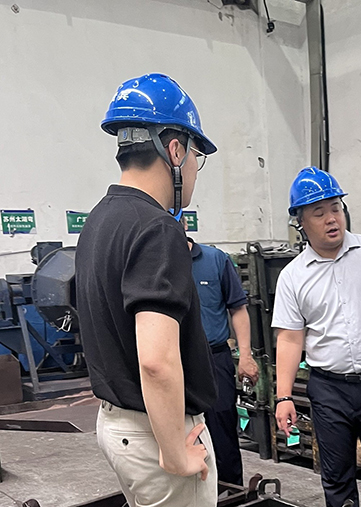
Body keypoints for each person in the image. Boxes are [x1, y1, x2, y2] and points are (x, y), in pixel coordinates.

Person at [75, 74, 218, 507]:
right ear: (175, 150)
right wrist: (175, 452)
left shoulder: (99, 221)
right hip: (157, 433)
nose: (194, 170)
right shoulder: (158, 229)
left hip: (116, 424)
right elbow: (156, 361)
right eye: (196, 156)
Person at [272, 167, 361, 507]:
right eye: (319, 213)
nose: (331, 218)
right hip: (329, 391)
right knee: (336, 479)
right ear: (301, 222)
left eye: (336, 208)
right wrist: (283, 396)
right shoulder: (292, 276)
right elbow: (290, 339)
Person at [179, 213, 259, 486]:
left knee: (222, 430)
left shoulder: (215, 260)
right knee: (178, 433)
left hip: (214, 360)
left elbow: (237, 309)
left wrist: (245, 356)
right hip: (173, 364)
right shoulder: (154, 264)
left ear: (184, 224)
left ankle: (231, 492)